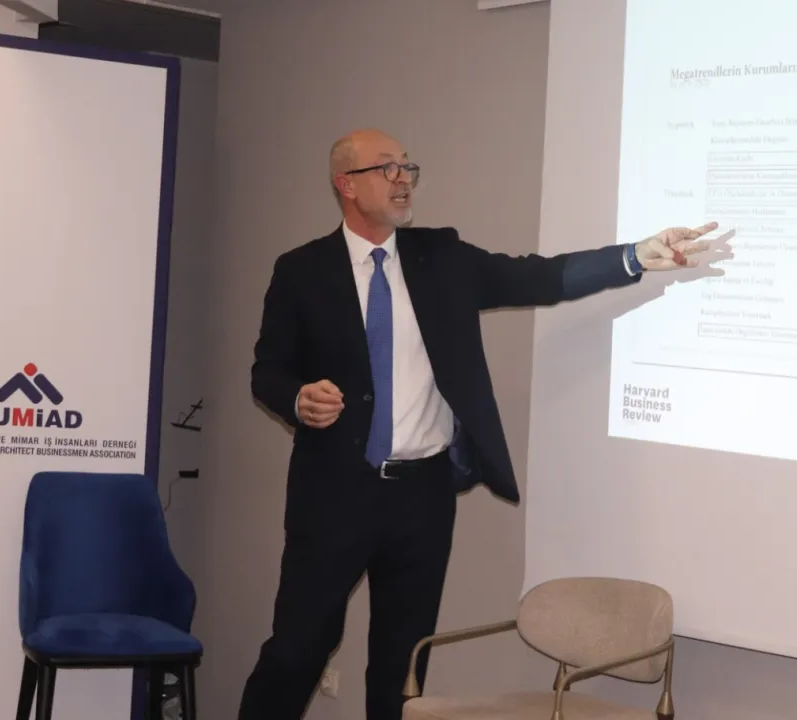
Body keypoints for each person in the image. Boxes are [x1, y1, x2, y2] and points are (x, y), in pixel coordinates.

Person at [238, 128, 717, 720]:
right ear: (346, 184)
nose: (403, 178)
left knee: (402, 666)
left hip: (423, 496)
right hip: (334, 493)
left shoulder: (440, 256)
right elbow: (268, 372)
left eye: (407, 166)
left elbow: (539, 276)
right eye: (386, 168)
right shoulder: (301, 270)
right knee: (298, 650)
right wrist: (297, 399)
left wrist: (635, 256)